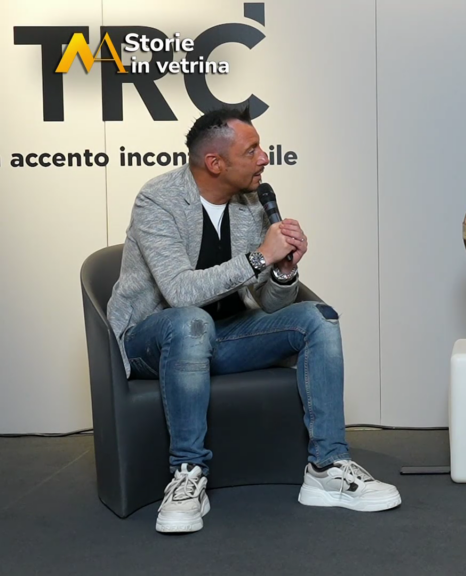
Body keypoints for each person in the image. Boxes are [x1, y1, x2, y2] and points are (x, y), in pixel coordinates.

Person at [107, 105, 400, 534]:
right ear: (215, 163)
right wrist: (261, 256)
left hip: (223, 335)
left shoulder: (253, 203)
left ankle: (327, 467)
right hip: (154, 339)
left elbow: (269, 304)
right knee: (190, 322)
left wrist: (283, 272)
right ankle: (187, 474)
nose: (264, 158)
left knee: (318, 318)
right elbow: (180, 293)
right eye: (252, 150)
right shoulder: (158, 200)